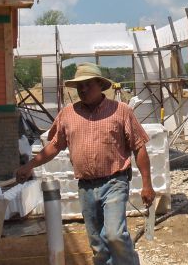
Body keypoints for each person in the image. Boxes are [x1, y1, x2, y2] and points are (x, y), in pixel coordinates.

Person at [16, 63, 156, 265]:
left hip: (115, 182)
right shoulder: (68, 114)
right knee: (98, 243)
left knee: (114, 234)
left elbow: (139, 147)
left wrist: (147, 184)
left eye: (88, 85)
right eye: (79, 86)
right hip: (86, 186)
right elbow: (55, 146)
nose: (82, 90)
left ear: (100, 85)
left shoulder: (121, 111)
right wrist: (29, 165)